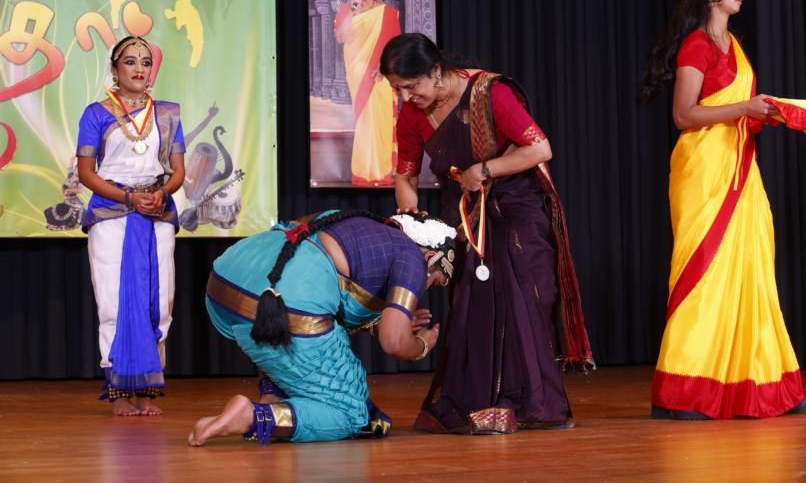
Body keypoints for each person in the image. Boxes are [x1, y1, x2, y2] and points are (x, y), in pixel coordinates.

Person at [380, 33, 593, 434]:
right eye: (397, 89)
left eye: (411, 86)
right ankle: (482, 405)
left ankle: (535, 405)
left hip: (515, 207)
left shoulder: (488, 94)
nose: (406, 97)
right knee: (474, 307)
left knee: (524, 299)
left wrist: (485, 169)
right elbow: (405, 175)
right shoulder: (411, 115)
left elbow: (540, 149)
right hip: (464, 214)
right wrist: (413, 221)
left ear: (436, 71)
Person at [638, 0, 806, 419]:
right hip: (704, 171)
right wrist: (744, 109)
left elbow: (737, 111)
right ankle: (688, 387)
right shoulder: (697, 46)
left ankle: (760, 381)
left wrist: (766, 113)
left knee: (753, 268)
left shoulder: (733, 44)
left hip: (740, 166)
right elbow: (684, 115)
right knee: (706, 271)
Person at [188, 209, 455, 445]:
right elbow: (394, 342)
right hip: (289, 304)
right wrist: (422, 344)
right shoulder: (413, 258)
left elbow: (331, 288)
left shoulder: (355, 220)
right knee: (352, 412)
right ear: (430, 255)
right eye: (435, 280)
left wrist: (380, 322)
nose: (426, 287)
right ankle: (253, 417)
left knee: (306, 348)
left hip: (229, 282)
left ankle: (274, 396)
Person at [76, 36, 185, 416]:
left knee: (159, 302)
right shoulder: (96, 114)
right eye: (130, 61)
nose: (139, 68)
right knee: (113, 301)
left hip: (156, 212)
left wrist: (160, 193)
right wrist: (128, 198)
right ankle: (119, 391)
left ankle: (147, 391)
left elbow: (178, 171)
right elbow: (86, 173)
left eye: (145, 62)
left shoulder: (167, 113)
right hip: (111, 213)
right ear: (114, 68)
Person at [333, 0, 402, 186]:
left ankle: (382, 170)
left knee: (380, 117)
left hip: (379, 72)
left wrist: (385, 66)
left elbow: (395, 45)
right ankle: (364, 170)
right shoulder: (347, 9)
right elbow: (341, 37)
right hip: (357, 70)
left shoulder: (387, 13)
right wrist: (352, 11)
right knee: (364, 118)